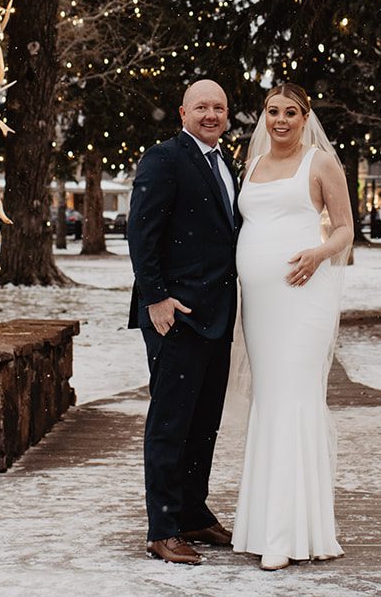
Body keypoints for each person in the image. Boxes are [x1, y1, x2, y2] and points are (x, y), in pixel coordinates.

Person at [233, 82, 354, 571]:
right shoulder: (253, 163)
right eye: (271, 111)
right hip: (259, 303)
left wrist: (318, 252)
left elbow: (345, 226)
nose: (279, 120)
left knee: (295, 399)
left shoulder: (320, 163)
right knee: (270, 400)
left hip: (303, 298)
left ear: (306, 117)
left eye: (289, 112)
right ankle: (261, 526)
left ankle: (293, 532)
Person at [126, 79, 240, 565]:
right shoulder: (165, 158)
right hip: (176, 315)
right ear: (182, 113)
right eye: (201, 107)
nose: (210, 114)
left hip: (217, 314)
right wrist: (157, 299)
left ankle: (193, 511)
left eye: (218, 107)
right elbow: (141, 232)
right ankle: (163, 528)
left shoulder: (223, 161)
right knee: (171, 422)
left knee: (203, 422)